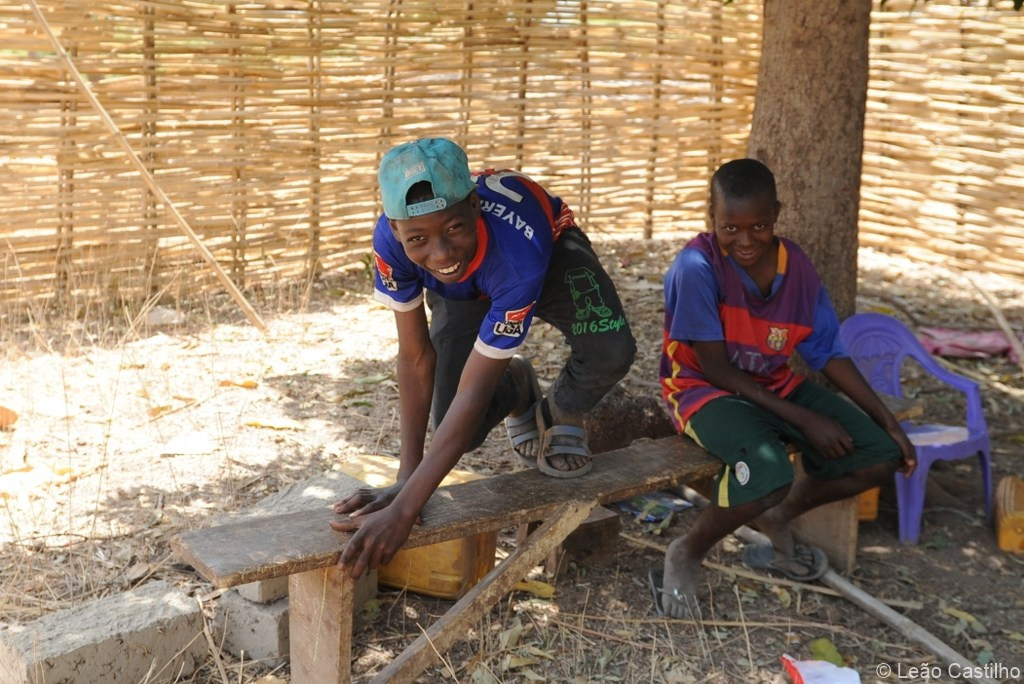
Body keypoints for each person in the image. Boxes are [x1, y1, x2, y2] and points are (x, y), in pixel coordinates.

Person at [330, 137, 636, 579]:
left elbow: (474, 390)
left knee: (610, 348)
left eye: (452, 227)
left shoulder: (518, 256)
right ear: (395, 230)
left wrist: (405, 510)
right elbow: (415, 357)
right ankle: (515, 385)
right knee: (461, 430)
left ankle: (562, 410)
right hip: (467, 284)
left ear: (474, 205)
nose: (440, 251)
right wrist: (406, 480)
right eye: (419, 238)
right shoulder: (391, 244)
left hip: (543, 258)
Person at [654, 158, 916, 617]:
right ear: (710, 216)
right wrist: (804, 418)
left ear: (777, 211)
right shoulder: (696, 266)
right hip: (704, 391)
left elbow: (828, 351)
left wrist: (888, 422)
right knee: (767, 475)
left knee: (879, 456)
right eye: (730, 227)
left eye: (759, 225)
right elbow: (713, 367)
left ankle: (778, 516)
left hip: (773, 384)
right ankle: (688, 550)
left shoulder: (796, 266)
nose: (746, 240)